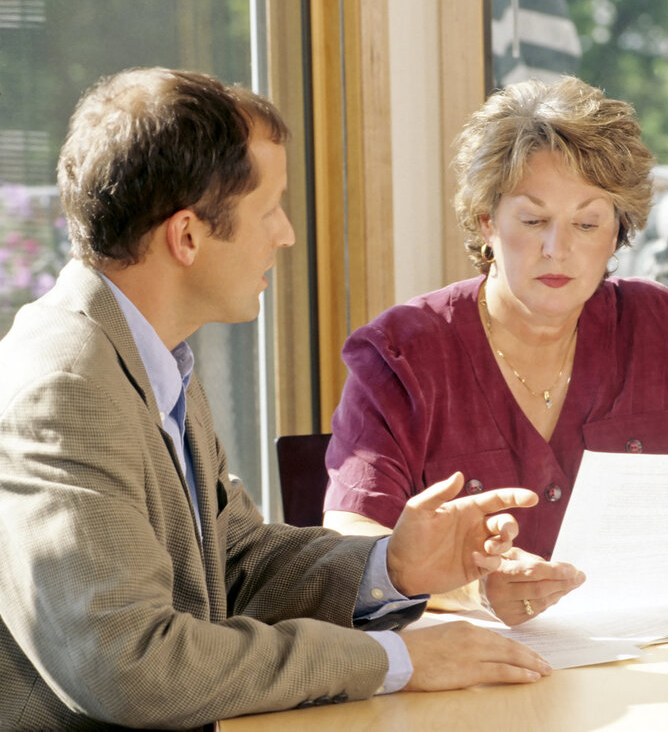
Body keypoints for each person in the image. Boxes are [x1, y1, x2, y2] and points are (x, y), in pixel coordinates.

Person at [0, 67, 551, 732]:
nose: (286, 234)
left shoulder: (148, 354)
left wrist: (392, 565)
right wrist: (392, 659)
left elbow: (231, 566)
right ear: (187, 237)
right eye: (270, 210)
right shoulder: (64, 389)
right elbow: (131, 664)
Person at [323, 76, 668, 626]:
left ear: (617, 234)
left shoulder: (660, 327)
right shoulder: (399, 354)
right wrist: (473, 592)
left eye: (587, 223)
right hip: (476, 678)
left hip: (650, 660)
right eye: (533, 220)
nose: (557, 249)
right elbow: (352, 540)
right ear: (488, 222)